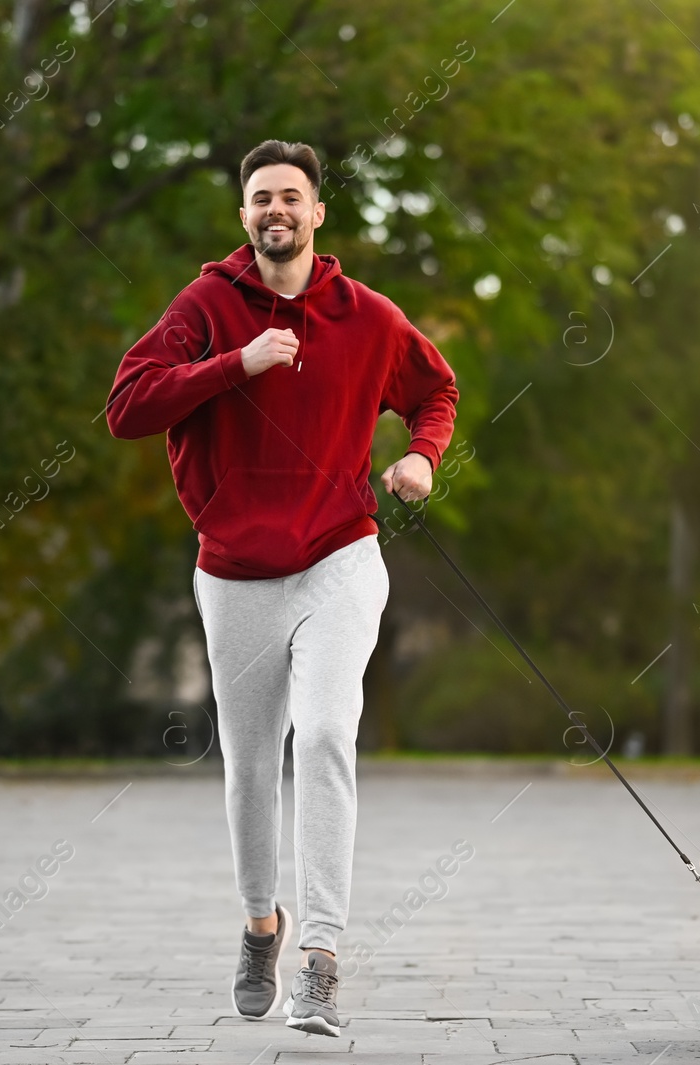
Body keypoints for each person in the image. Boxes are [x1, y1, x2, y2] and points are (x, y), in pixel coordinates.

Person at [104, 139, 459, 1036]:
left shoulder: (368, 318)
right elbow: (128, 407)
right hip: (234, 567)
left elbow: (436, 388)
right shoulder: (206, 307)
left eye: (291, 196)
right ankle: (263, 923)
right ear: (244, 216)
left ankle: (323, 959)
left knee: (330, 733)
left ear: (317, 213)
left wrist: (420, 458)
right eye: (261, 197)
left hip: (340, 556)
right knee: (251, 763)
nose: (277, 210)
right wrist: (238, 364)